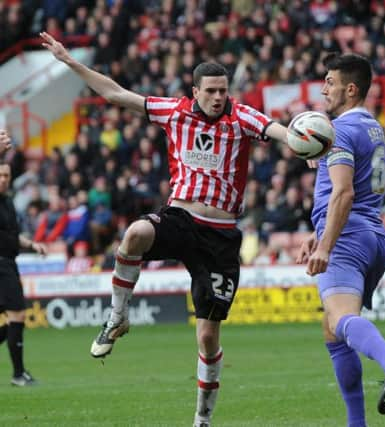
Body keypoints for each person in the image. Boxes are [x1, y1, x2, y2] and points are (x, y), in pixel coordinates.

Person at [41, 32, 289, 427]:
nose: (218, 97)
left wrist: (301, 142)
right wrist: (70, 62)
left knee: (208, 337)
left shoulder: (241, 116)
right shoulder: (174, 111)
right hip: (181, 218)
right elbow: (117, 94)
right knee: (135, 234)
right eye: (210, 91)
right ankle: (118, 316)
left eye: (223, 90)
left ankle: (202, 420)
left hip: (221, 235)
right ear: (195, 91)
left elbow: (277, 130)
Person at [296, 53, 385, 427]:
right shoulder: (371, 126)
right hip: (372, 236)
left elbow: (344, 194)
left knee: (341, 317)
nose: (324, 89)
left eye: (330, 82)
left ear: (350, 89)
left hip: (347, 239)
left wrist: (326, 246)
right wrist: (317, 232)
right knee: (333, 330)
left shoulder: (340, 132)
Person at [0, 157, 48, 386]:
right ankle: (19, 375)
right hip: (1, 265)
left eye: (7, 176)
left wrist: (31, 244)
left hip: (9, 261)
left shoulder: (8, 202)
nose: (3, 180)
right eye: (0, 175)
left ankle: (19, 374)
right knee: (17, 315)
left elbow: (11, 235)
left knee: (10, 321)